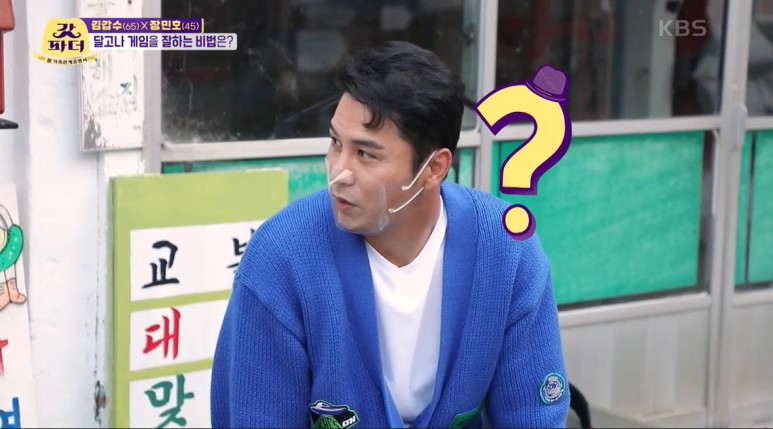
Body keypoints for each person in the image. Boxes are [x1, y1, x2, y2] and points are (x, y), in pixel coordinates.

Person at [210, 40, 570, 428]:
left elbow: (534, 416)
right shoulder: (281, 256)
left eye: (366, 154)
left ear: (433, 169)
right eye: (336, 143)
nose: (339, 173)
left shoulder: (506, 249)